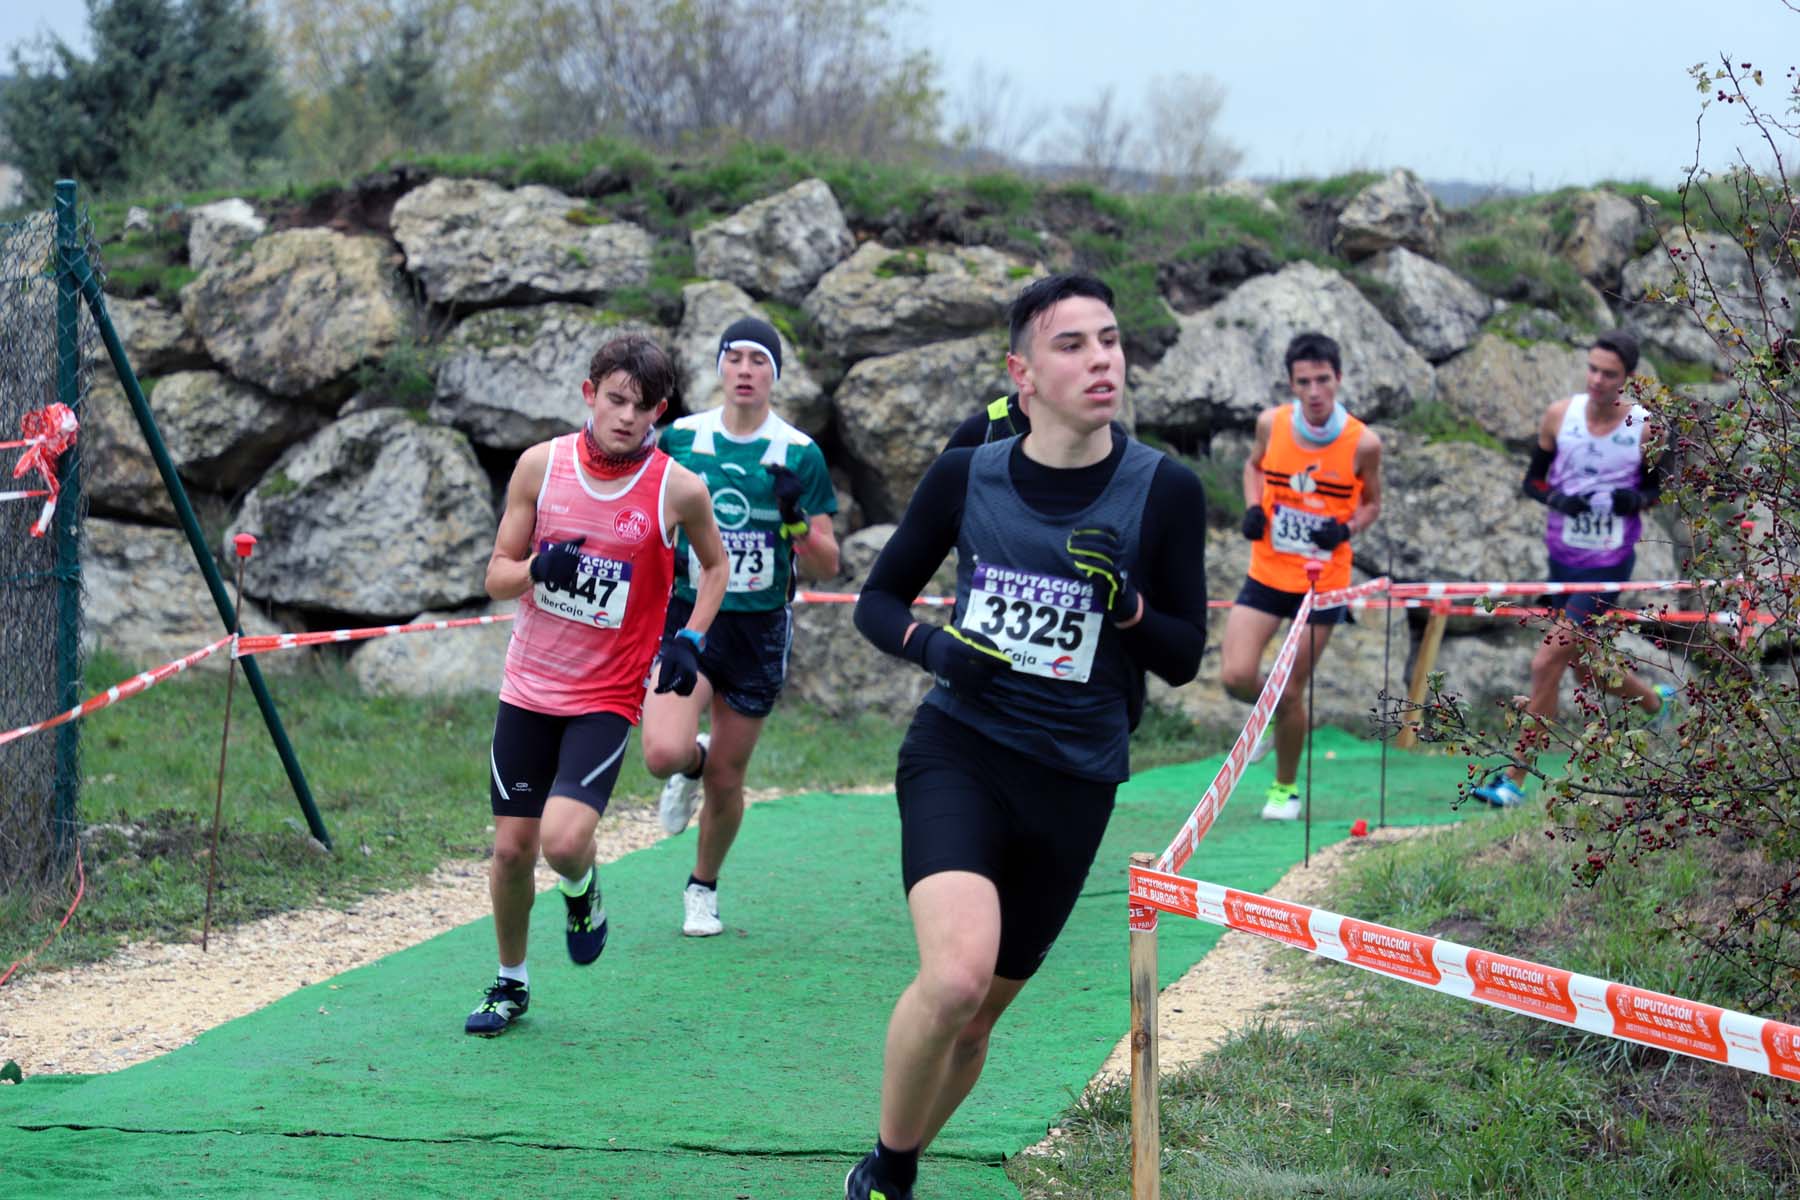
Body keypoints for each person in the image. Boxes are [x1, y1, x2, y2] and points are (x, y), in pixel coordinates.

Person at [845, 274, 1209, 1200]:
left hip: (1075, 778)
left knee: (974, 1026)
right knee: (957, 978)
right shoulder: (971, 472)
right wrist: (938, 651)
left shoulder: (1163, 489)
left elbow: (1182, 658)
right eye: (1073, 344)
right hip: (960, 749)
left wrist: (1125, 606)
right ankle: (886, 1176)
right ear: (1023, 372)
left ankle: (898, 1156)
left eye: (1111, 341)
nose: (1101, 360)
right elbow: (877, 603)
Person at [465, 335, 728, 1037]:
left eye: (640, 408)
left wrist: (690, 638)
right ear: (589, 394)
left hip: (606, 696)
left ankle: (581, 889)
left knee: (560, 839)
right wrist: (536, 571)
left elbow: (715, 568)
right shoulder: (539, 467)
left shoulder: (677, 487)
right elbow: (495, 576)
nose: (624, 417)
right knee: (512, 850)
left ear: (659, 413)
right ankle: (510, 982)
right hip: (528, 686)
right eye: (614, 400)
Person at [640, 317, 840, 937]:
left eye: (760, 360)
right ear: (721, 368)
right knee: (662, 752)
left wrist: (793, 519)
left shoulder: (798, 453)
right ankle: (688, 763)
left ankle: (702, 888)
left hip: (758, 630)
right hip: (691, 617)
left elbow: (829, 559)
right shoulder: (682, 440)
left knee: (730, 778)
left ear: (774, 376)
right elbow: (641, 509)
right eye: (737, 358)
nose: (747, 370)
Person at [1471, 329, 1675, 807]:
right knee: (1584, 667)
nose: (1598, 380)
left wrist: (1635, 500)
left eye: (1609, 374)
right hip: (1561, 560)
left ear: (1627, 380)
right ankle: (1653, 701)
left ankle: (1513, 783)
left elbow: (1657, 490)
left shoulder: (1644, 427)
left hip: (1609, 565)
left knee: (1546, 661)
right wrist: (1554, 497)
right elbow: (1531, 482)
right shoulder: (1560, 417)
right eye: (1593, 369)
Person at [1219, 332, 1383, 821]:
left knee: (1289, 690)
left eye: (1323, 380)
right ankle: (1273, 716)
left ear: (1338, 380)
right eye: (1304, 382)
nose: (1314, 391)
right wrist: (1252, 507)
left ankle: (1284, 790)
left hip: (1323, 582)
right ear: (1291, 384)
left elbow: (1373, 504)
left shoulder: (1363, 442)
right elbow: (1253, 468)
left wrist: (1345, 527)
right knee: (1235, 676)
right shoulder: (1271, 424)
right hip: (1268, 569)